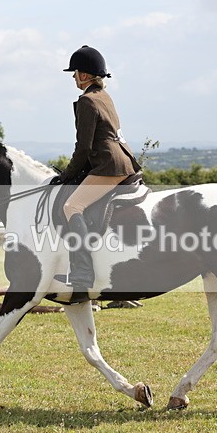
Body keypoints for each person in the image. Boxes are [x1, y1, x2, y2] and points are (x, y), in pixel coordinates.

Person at [53, 45, 142, 300]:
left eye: (75, 72)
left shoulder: (87, 100)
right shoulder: (103, 96)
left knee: (71, 207)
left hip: (108, 165)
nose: (73, 77)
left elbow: (83, 148)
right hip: (123, 161)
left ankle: (82, 274)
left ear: (84, 75)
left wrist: (67, 174)